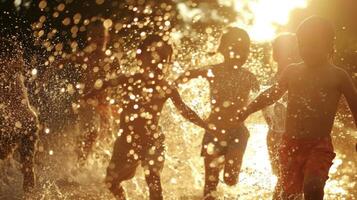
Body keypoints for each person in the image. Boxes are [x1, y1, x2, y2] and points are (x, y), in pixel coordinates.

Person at [237, 16, 357, 200]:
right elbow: (271, 94)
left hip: (319, 145)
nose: (306, 50)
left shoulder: (338, 76)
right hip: (290, 144)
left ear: (328, 45)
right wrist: (247, 110)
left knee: (313, 186)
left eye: (313, 44)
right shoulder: (293, 71)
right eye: (303, 44)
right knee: (289, 194)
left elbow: (355, 105)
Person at [85, 35, 214, 200]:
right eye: (153, 58)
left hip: (153, 140)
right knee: (111, 181)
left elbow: (184, 110)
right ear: (139, 57)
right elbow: (105, 83)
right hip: (126, 140)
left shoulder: (166, 87)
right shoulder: (129, 80)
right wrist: (88, 96)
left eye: (163, 61)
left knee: (153, 182)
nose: (157, 64)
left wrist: (204, 124)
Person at [176, 27, 259, 200]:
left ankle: (225, 163)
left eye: (245, 50)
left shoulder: (249, 76)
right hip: (213, 131)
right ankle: (217, 167)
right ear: (223, 50)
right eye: (236, 49)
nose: (241, 54)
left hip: (238, 133)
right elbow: (190, 73)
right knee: (210, 187)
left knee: (230, 179)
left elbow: (260, 101)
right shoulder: (213, 70)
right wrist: (175, 83)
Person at [261, 33, 299, 199]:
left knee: (288, 179)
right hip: (277, 136)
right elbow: (265, 111)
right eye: (286, 52)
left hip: (290, 136)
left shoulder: (299, 78)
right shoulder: (273, 81)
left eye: (292, 52)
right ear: (275, 55)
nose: (289, 57)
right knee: (284, 178)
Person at [0, 38, 39, 192]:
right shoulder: (11, 75)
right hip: (18, 126)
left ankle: (29, 195)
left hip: (26, 126)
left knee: (28, 168)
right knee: (11, 159)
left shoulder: (10, 78)